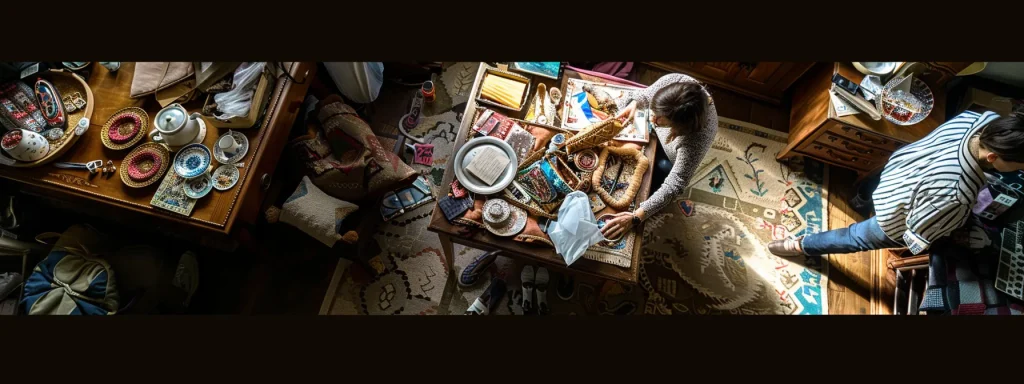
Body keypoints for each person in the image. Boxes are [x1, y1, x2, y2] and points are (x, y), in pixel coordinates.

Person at [768, 111, 1024, 258]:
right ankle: (800, 245)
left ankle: (852, 207)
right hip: (896, 211)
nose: (1020, 170)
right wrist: (954, 234)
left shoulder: (978, 118)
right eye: (1019, 166)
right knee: (855, 236)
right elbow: (918, 233)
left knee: (871, 199)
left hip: (898, 173)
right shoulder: (958, 193)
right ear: (992, 157)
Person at [600, 74, 719, 240]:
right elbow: (645, 95)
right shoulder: (674, 81)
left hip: (669, 157)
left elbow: (675, 184)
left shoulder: (695, 140)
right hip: (655, 135)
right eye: (654, 111)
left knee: (658, 175)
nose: (652, 118)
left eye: (660, 119)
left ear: (679, 127)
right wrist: (635, 104)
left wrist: (636, 217)